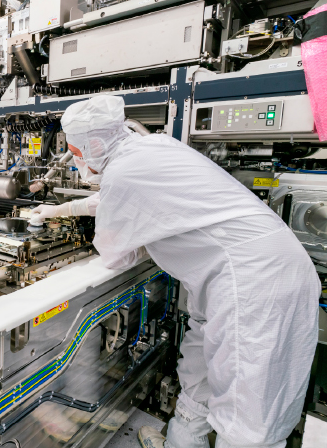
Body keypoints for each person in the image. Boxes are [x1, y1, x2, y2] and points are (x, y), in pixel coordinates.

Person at [30, 95, 320, 448]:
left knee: (249, 409)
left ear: (92, 145)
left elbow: (116, 255)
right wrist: (58, 209)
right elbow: (112, 198)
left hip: (256, 281)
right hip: (237, 274)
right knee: (198, 369)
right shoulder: (151, 146)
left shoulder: (123, 171)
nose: (74, 160)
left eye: (74, 152)